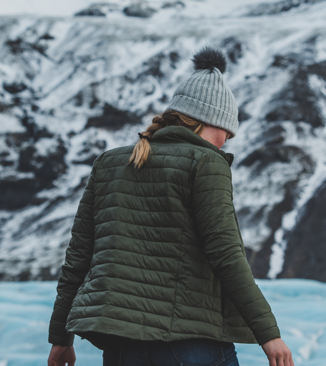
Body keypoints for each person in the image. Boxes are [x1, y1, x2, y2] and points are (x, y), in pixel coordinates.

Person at [47, 47, 294, 366]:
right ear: (210, 122)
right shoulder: (205, 162)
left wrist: (60, 338)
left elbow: (79, 256)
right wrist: (269, 334)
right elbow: (225, 253)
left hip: (121, 345)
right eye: (226, 132)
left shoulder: (109, 163)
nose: (225, 142)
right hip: (192, 343)